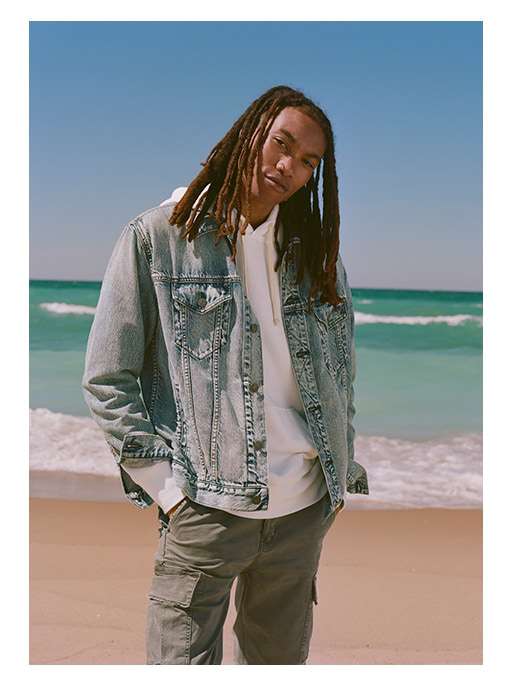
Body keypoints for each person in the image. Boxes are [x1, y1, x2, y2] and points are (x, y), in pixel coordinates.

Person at [82, 84, 369, 665]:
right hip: (205, 509)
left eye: (308, 161)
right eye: (280, 144)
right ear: (249, 134)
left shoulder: (317, 253)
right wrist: (168, 491)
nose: (288, 166)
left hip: (301, 511)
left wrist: (333, 484)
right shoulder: (158, 237)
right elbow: (108, 377)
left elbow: (340, 375)